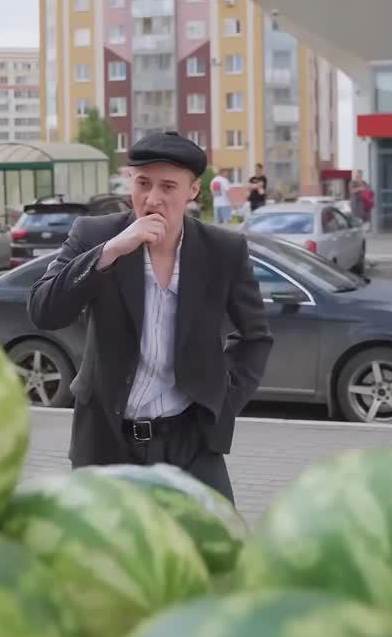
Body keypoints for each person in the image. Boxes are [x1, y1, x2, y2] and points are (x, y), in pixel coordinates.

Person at [28, 130, 272, 501]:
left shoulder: (223, 250)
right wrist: (109, 253)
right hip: (106, 441)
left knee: (218, 534)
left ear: (193, 191)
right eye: (143, 183)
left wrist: (222, 400)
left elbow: (255, 336)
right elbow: (43, 310)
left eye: (168, 187)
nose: (152, 199)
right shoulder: (95, 235)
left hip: (189, 441)